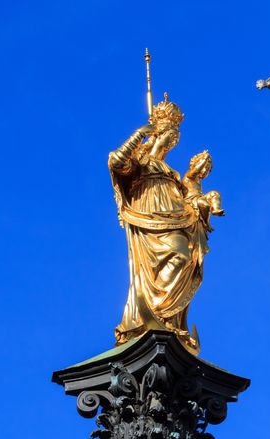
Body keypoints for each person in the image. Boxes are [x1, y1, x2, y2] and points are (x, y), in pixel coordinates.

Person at [108, 98, 219, 353]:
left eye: (175, 138)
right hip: (147, 214)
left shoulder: (174, 173)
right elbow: (116, 162)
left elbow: (190, 198)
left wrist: (204, 203)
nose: (172, 141)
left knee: (186, 258)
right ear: (158, 134)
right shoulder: (141, 161)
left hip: (175, 216)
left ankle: (167, 318)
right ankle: (153, 314)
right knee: (177, 257)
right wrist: (138, 135)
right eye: (169, 135)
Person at [181, 150, 225, 231]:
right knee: (204, 204)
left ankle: (215, 209)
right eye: (204, 168)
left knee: (215, 193)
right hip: (191, 199)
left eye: (207, 170)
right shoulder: (189, 174)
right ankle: (206, 223)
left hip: (200, 197)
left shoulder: (198, 180)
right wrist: (204, 159)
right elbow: (196, 171)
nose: (205, 171)